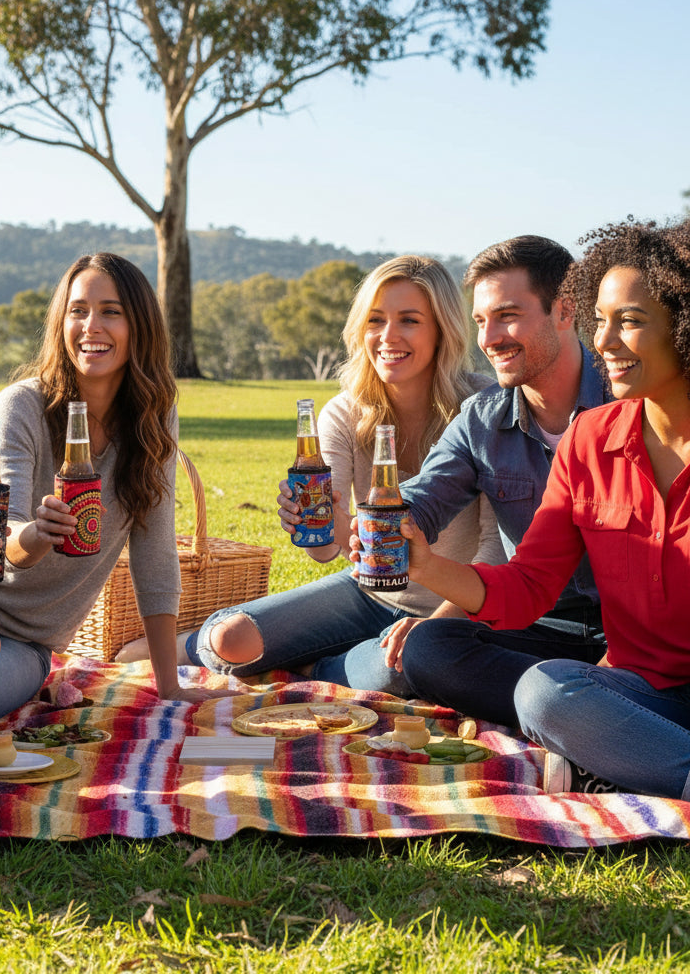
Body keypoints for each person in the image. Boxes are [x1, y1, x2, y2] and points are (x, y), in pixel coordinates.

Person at [390, 218, 690, 799]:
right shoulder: (590, 440)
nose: (604, 342)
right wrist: (422, 565)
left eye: (629, 321)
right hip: (635, 691)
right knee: (543, 692)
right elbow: (528, 586)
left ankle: (617, 759)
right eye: (601, 321)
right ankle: (631, 755)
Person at [118, 255, 503, 690]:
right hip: (368, 592)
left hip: (457, 605)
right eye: (375, 320)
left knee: (403, 663)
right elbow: (323, 551)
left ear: (442, 330)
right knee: (232, 638)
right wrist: (313, 519)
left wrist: (436, 623)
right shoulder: (344, 411)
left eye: (409, 320)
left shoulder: (484, 407)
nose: (388, 336)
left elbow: (496, 548)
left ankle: (317, 667)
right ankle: (189, 645)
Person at [0, 252, 235, 729]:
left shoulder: (153, 419)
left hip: (28, 644)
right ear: (61, 321)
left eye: (111, 311)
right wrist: (35, 535)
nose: (92, 325)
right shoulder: (22, 405)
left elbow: (155, 554)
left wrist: (168, 684)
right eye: (78, 310)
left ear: (140, 326)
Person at [394, 235, 612, 727]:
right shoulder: (481, 419)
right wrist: (380, 519)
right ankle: (584, 707)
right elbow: (423, 503)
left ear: (564, 311)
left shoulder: (626, 406)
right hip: (534, 620)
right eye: (480, 321)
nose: (489, 338)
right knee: (429, 647)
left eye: (507, 315)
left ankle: (579, 707)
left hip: (634, 628)